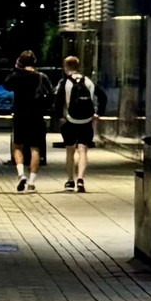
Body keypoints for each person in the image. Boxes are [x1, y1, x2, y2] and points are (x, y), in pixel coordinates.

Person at [56, 48, 98, 193]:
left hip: (70, 121)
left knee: (70, 151)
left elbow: (58, 102)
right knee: (83, 151)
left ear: (65, 67)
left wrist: (58, 117)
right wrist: (97, 113)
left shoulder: (65, 83)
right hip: (86, 121)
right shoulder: (88, 81)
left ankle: (70, 180)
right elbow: (102, 96)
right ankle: (81, 178)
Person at [8, 49, 48, 195]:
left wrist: (16, 68)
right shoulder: (41, 76)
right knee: (35, 148)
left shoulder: (17, 76)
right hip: (36, 115)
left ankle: (21, 174)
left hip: (20, 115)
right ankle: (31, 181)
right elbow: (50, 94)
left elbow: (6, 85)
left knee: (17, 146)